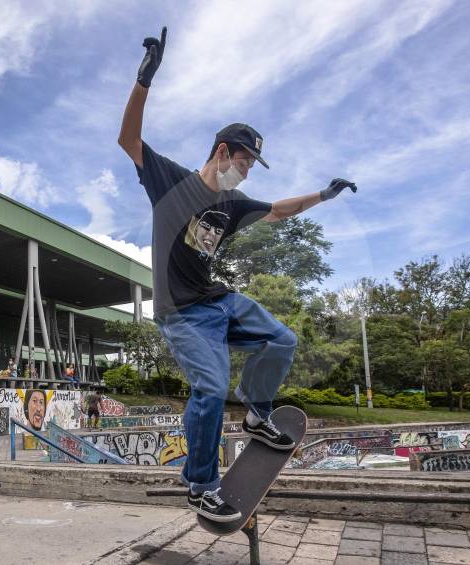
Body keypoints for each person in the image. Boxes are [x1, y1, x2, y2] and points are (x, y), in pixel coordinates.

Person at [117, 27, 357, 522]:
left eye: (250, 167)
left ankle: (256, 413)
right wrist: (144, 80)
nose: (245, 174)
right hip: (181, 312)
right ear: (223, 151)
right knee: (208, 387)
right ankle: (201, 484)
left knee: (282, 340)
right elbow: (129, 139)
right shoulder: (172, 182)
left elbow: (279, 210)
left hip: (219, 300)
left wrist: (322, 196)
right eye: (244, 163)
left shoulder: (234, 203)